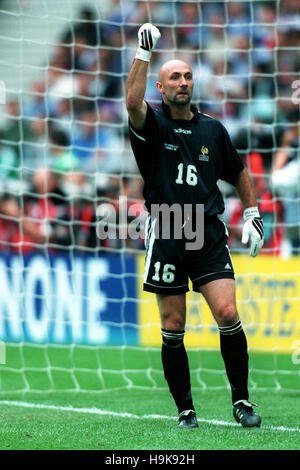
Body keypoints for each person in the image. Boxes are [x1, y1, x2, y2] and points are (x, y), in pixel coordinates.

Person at [126, 24, 264, 429]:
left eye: (187, 76)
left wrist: (253, 213)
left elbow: (239, 172)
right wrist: (143, 50)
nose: (183, 82)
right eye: (175, 77)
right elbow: (132, 100)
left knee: (227, 311)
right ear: (161, 86)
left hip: (207, 231)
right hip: (167, 230)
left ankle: (242, 401)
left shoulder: (212, 129)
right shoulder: (151, 125)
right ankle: (185, 409)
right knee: (173, 325)